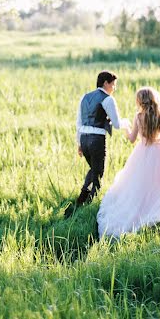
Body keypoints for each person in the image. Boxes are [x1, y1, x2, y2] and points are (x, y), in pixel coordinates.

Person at [97, 86, 160, 237]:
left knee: (139, 185)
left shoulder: (138, 117)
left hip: (142, 153)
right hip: (159, 154)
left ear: (140, 101)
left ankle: (139, 211)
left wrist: (125, 127)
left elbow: (132, 139)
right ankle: (154, 210)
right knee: (157, 186)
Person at [65, 70, 130, 217]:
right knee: (98, 171)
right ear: (106, 83)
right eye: (114, 84)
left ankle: (82, 200)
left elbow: (79, 122)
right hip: (96, 139)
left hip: (84, 138)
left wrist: (79, 143)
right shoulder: (108, 99)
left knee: (94, 169)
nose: (114, 88)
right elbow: (117, 124)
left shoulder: (85, 97)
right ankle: (90, 202)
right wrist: (129, 123)